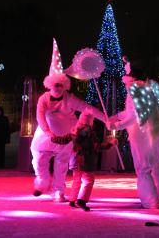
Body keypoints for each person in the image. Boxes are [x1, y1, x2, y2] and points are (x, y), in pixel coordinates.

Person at [31, 39, 106, 202]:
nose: (57, 87)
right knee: (38, 158)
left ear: (64, 85)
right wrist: (48, 132)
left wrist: (105, 119)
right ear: (49, 84)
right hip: (45, 136)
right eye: (54, 84)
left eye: (60, 84)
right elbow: (40, 116)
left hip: (65, 136)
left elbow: (88, 109)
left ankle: (59, 191)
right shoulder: (43, 99)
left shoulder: (70, 99)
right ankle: (42, 180)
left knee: (62, 164)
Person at [109, 65, 159, 209]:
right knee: (155, 163)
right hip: (153, 134)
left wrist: (118, 126)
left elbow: (135, 115)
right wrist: (116, 117)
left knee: (142, 168)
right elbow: (131, 111)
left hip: (141, 136)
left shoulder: (134, 91)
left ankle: (149, 200)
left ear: (129, 79)